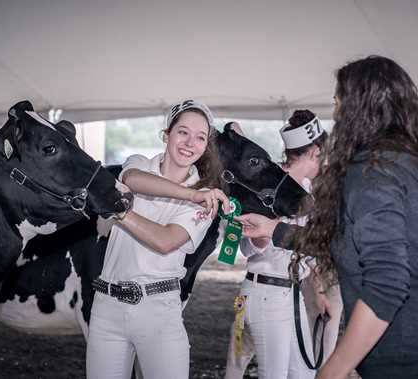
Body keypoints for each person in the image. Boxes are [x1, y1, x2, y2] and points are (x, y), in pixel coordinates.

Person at [236, 56, 418, 379]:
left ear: (360, 107)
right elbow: (344, 241)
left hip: (400, 356)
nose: (336, 113)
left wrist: (332, 370)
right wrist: (276, 230)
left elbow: (388, 281)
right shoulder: (403, 163)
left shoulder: (374, 172)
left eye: (338, 102)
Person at [86, 99, 230, 379]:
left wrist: (118, 211)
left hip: (158, 311)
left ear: (205, 146)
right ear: (167, 134)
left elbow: (165, 240)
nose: (190, 142)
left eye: (200, 137)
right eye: (183, 132)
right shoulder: (139, 164)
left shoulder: (206, 198)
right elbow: (132, 180)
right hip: (107, 306)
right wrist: (191, 194)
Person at [224, 110, 337, 379]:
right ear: (315, 152)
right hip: (262, 292)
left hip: (290, 294)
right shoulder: (263, 184)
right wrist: (262, 235)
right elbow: (241, 247)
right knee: (257, 370)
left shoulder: (309, 194)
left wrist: (318, 292)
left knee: (302, 374)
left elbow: (308, 251)